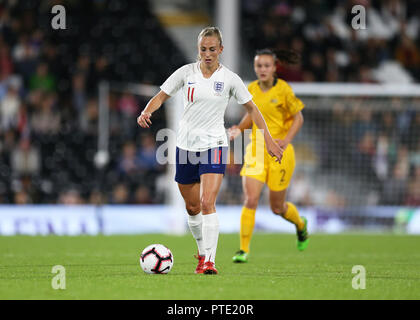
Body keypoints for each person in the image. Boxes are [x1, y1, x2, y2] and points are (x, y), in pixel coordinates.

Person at [137, 27, 283, 275]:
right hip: (185, 147)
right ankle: (202, 251)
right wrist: (147, 110)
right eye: (203, 49)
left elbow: (253, 110)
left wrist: (268, 139)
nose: (207, 53)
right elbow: (161, 96)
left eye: (212, 49)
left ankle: (209, 262)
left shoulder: (230, 79)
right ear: (198, 49)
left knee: (207, 202)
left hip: (215, 144)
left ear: (221, 50)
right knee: (192, 207)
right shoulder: (185, 73)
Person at [229, 48, 309, 263]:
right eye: (259, 66)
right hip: (256, 151)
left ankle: (300, 225)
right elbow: (251, 116)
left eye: (266, 66)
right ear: (255, 68)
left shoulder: (283, 90)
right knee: (251, 199)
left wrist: (285, 140)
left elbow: (298, 118)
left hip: (280, 154)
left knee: (277, 208)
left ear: (274, 68)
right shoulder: (251, 89)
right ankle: (243, 250)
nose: (262, 69)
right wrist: (238, 129)